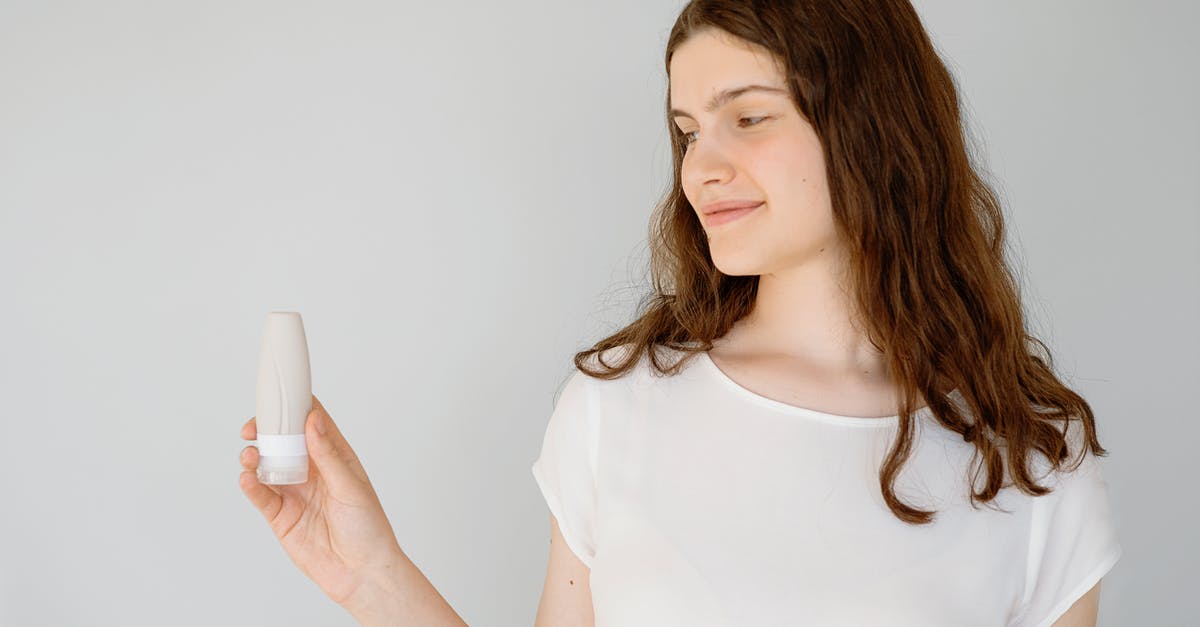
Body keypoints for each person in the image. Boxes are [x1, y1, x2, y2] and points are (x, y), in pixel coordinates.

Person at [238, 1, 1122, 625]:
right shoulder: (617, 409)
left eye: (749, 117)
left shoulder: (1030, 460)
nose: (702, 167)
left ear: (870, 127)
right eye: (689, 129)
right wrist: (371, 578)